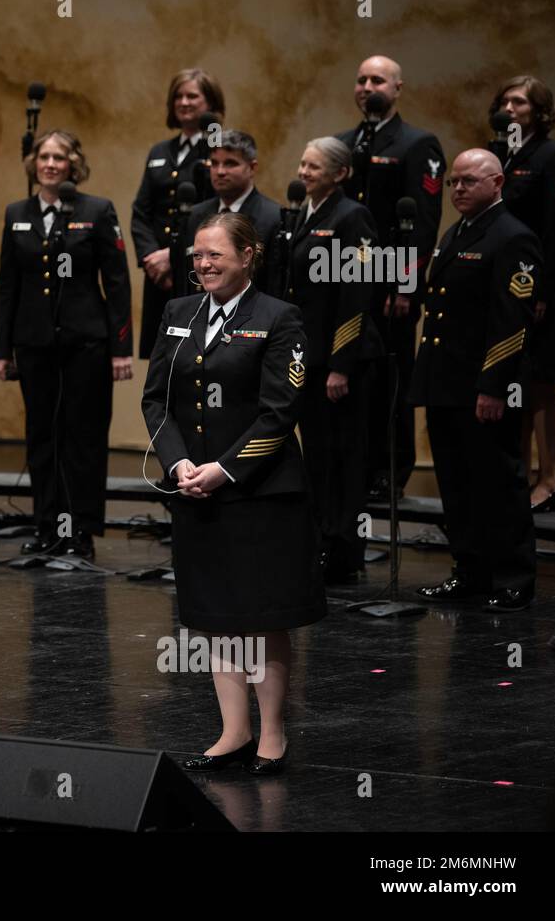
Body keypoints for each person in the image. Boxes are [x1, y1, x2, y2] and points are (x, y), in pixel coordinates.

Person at [141, 212, 323, 775]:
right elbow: (155, 400)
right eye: (196, 255)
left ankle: (272, 735)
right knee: (215, 615)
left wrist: (221, 469)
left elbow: (279, 413)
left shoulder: (278, 317)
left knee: (262, 614)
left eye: (214, 254)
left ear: (248, 256)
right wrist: (178, 465)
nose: (202, 264)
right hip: (195, 490)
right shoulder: (177, 312)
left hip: (260, 494)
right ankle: (233, 731)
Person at [410, 149, 541, 613]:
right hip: (446, 383)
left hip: (485, 385)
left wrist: (492, 386)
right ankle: (470, 571)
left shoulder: (512, 237)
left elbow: (512, 322)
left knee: (498, 484)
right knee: (457, 484)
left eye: (469, 181)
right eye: (453, 182)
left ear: (497, 182)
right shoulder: (457, 231)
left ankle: (513, 578)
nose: (459, 189)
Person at [0, 129, 132, 559]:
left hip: (86, 343)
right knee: (42, 436)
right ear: (33, 163)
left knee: (83, 438)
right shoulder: (17, 212)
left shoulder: (97, 209)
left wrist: (121, 348)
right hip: (35, 343)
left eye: (60, 157)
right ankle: (47, 526)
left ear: (74, 164)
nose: (51, 164)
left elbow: (118, 283)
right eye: (44, 157)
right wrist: (3, 349)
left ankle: (81, 531)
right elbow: (7, 286)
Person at [335, 55, 445, 502]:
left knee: (391, 378)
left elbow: (421, 222)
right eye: (360, 79)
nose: (367, 86)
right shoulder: (343, 144)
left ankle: (391, 468)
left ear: (398, 88)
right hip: (346, 282)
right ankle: (355, 465)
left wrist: (404, 284)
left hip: (388, 287)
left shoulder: (418, 144)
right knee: (354, 376)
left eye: (377, 80)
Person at [284, 137, 382, 582]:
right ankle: (320, 540)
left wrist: (341, 363)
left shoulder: (352, 217)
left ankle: (343, 551)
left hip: (341, 362)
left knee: (343, 458)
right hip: (310, 356)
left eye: (315, 167)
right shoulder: (304, 215)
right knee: (318, 456)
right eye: (303, 164)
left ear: (340, 174)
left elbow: (356, 294)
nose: (304, 172)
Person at [487, 75, 555, 512]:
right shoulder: (499, 152)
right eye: (505, 100)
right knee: (509, 378)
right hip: (500, 288)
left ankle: (549, 478)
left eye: (519, 101)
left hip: (539, 287)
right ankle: (515, 472)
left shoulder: (552, 155)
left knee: (539, 381)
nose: (510, 108)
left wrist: (544, 291)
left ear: (539, 111)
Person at [132, 68, 224, 359]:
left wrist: (172, 257)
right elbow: (141, 212)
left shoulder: (219, 149)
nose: (184, 102)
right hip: (159, 274)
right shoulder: (160, 150)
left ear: (210, 103)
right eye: (178, 97)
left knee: (198, 352)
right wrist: (151, 259)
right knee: (163, 356)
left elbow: (216, 212)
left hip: (198, 269)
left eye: (192, 96)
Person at [172, 129, 282, 298]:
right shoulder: (194, 215)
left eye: (230, 164)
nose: (220, 171)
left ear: (252, 168)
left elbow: (274, 284)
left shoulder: (274, 218)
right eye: (214, 163)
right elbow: (185, 281)